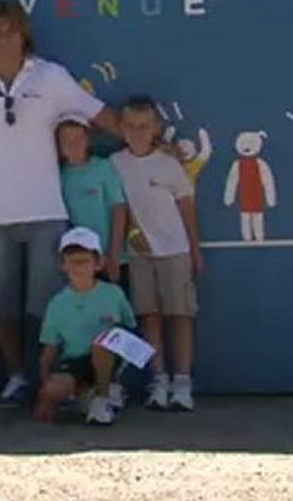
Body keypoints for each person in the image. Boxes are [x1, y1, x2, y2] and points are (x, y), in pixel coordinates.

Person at [0, 0, 120, 404]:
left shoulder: (52, 77)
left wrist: (147, 141)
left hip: (46, 212)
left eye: (12, 30)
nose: (4, 39)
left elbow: (97, 114)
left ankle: (48, 376)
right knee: (3, 304)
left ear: (25, 35)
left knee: (45, 306)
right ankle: (18, 376)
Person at [111, 95, 204, 411]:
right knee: (149, 317)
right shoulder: (115, 164)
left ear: (156, 128)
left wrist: (195, 250)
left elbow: (187, 207)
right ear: (121, 128)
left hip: (175, 251)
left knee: (180, 316)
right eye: (131, 126)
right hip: (138, 256)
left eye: (144, 126)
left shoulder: (169, 164)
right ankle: (159, 380)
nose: (137, 132)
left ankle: (182, 382)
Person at [34, 227, 137, 426]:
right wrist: (45, 394)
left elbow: (130, 329)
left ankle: (103, 399)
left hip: (112, 359)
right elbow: (49, 351)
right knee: (54, 388)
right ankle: (85, 395)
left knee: (102, 344)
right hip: (75, 362)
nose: (77, 267)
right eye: (72, 261)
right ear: (63, 265)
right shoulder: (57, 303)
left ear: (98, 264)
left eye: (83, 261)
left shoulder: (114, 293)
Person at [57, 113, 128, 283]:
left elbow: (119, 209)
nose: (72, 144)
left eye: (78, 138)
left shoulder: (103, 167)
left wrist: (114, 254)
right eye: (66, 140)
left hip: (111, 259)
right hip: (79, 265)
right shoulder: (60, 175)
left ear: (88, 140)